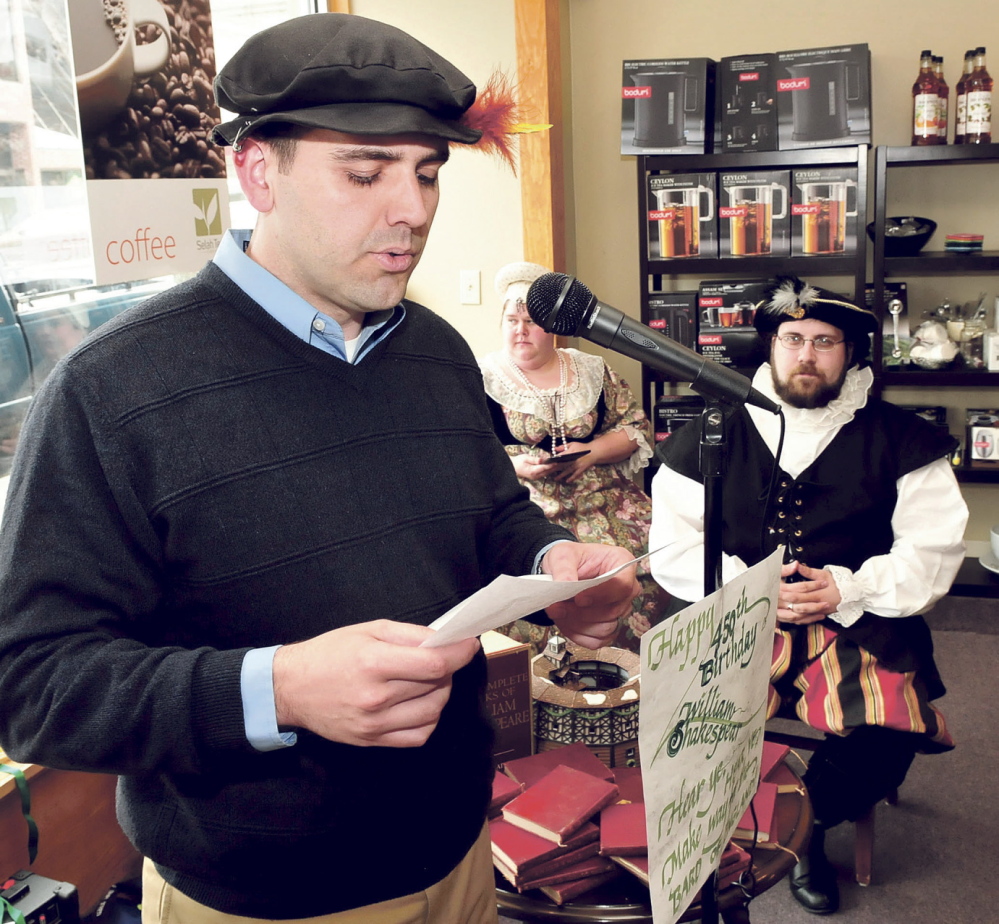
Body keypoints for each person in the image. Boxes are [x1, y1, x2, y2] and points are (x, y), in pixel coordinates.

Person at [0, 14, 641, 924]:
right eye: (365, 171)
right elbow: (34, 685)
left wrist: (550, 566)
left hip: (462, 856)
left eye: (426, 172)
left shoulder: (434, 350)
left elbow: (492, 512)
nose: (412, 209)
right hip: (259, 899)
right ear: (257, 171)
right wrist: (279, 690)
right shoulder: (111, 390)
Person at [649, 274, 967, 915]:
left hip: (858, 618)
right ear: (770, 348)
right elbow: (673, 543)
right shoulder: (711, 432)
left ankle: (804, 831)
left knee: (885, 727)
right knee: (689, 715)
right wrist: (750, 586)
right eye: (792, 338)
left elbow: (931, 551)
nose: (806, 355)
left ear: (850, 353)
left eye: (825, 341)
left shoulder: (903, 439)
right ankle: (734, 827)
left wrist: (847, 587)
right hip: (738, 616)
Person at [479, 261, 668, 654]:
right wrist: (513, 465)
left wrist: (593, 452)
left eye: (532, 321)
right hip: (527, 511)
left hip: (603, 502)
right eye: (512, 319)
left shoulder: (590, 369)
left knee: (640, 571)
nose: (520, 330)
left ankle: (630, 685)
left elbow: (636, 428)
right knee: (542, 589)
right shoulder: (480, 378)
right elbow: (462, 454)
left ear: (554, 327)